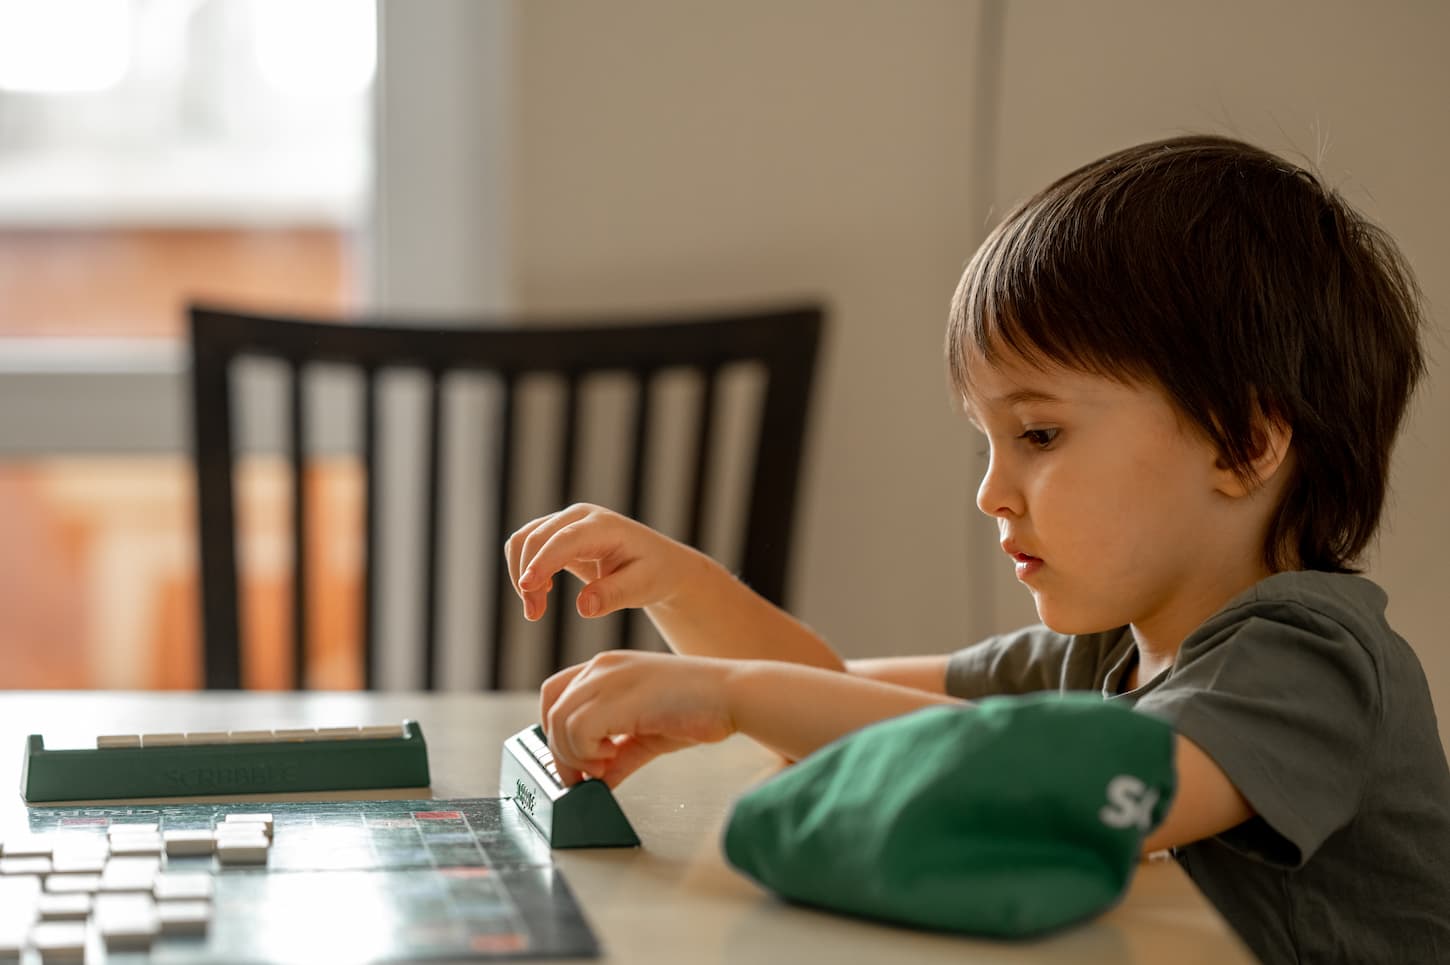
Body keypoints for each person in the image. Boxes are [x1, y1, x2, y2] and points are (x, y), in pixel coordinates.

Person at [504, 135, 1450, 962]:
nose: (991, 493)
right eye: (987, 442)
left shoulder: (1311, 660)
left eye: (1038, 435)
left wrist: (732, 694)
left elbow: (1039, 783)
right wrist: (678, 582)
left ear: (1244, 443)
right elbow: (837, 695)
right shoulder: (1108, 652)